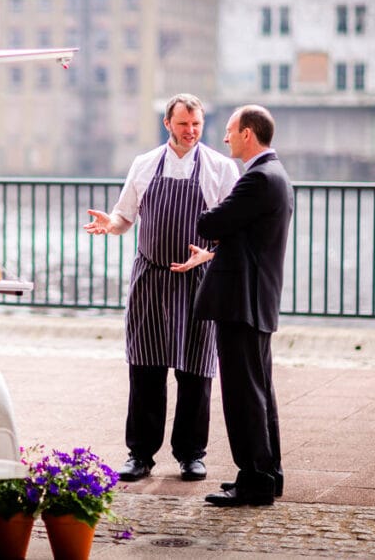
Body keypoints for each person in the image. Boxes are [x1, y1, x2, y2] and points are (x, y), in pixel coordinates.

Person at [84, 93, 240, 483]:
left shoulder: (221, 168)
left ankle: (191, 455)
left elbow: (233, 231)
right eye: (183, 124)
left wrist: (208, 254)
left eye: (197, 125)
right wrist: (111, 224)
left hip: (199, 282)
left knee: (195, 373)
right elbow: (125, 217)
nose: (190, 131)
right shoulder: (144, 164)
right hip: (151, 278)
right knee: (146, 369)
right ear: (167, 124)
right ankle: (140, 455)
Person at [171, 104, 294, 507]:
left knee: (243, 395)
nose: (224, 138)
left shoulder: (257, 179)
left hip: (242, 301)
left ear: (248, 134)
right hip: (256, 299)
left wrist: (216, 225)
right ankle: (267, 474)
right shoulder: (276, 176)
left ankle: (254, 480)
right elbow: (243, 234)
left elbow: (210, 223)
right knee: (259, 392)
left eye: (229, 130)